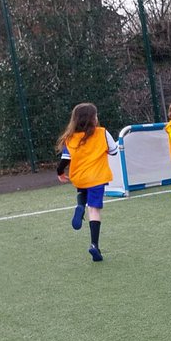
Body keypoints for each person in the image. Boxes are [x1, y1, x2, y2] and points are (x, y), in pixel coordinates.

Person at [55, 102, 118, 262]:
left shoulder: (70, 139)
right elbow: (114, 151)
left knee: (83, 191)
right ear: (92, 119)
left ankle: (80, 206)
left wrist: (60, 173)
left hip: (80, 177)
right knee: (94, 211)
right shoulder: (102, 133)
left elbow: (64, 161)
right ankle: (94, 245)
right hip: (97, 177)